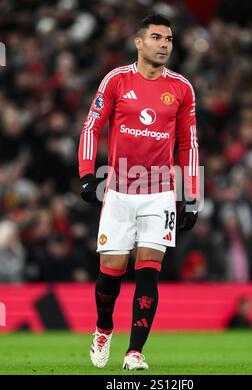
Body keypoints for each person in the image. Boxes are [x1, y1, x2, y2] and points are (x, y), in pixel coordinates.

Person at [78, 14, 200, 370]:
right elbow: (91, 126)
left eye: (170, 39)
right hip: (118, 190)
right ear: (139, 42)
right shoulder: (116, 80)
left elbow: (188, 146)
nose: (165, 45)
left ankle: (135, 352)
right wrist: (87, 174)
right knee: (110, 275)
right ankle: (103, 328)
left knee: (148, 270)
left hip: (160, 193)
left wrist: (191, 196)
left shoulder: (182, 88)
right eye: (157, 37)